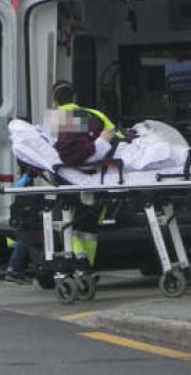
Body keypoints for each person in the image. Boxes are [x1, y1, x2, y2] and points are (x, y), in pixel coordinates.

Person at [51, 80, 116, 267]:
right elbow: (115, 137)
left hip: (70, 179)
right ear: (75, 97)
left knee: (67, 221)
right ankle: (88, 266)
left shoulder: (56, 119)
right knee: (89, 227)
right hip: (99, 177)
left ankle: (80, 260)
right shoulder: (94, 114)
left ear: (55, 101)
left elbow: (50, 150)